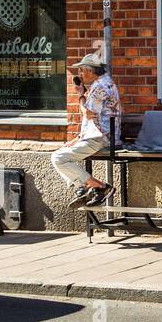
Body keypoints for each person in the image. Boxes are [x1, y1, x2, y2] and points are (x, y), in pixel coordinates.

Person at [52, 53, 122, 209]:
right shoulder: (101, 84)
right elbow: (94, 118)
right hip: (98, 135)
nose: (80, 75)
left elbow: (88, 113)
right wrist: (79, 138)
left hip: (102, 138)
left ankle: (98, 187)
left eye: (82, 70)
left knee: (58, 158)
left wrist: (80, 95)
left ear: (91, 71)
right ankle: (85, 187)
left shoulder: (101, 87)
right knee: (62, 152)